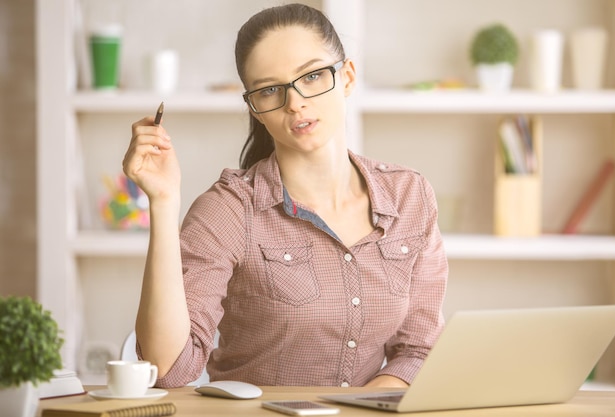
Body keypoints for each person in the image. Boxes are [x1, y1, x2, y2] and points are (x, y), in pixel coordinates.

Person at [122, 3, 448, 389]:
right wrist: (163, 203)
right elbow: (168, 369)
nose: (295, 103)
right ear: (255, 108)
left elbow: (419, 350)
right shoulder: (229, 210)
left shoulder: (410, 196)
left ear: (346, 77)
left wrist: (360, 409)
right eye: (271, 89)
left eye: (311, 76)